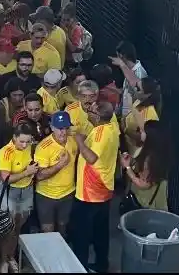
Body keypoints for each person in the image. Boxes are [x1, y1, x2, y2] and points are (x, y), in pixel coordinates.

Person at [69, 102, 119, 273]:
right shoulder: (112, 126)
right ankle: (101, 265)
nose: (87, 112)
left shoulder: (100, 132)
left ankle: (79, 267)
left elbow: (91, 158)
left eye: (90, 110)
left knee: (81, 233)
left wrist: (80, 142)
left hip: (90, 192)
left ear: (97, 116)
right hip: (104, 189)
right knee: (100, 232)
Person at [0, 122, 37, 273]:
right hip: (10, 192)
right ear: (14, 137)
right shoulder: (6, 152)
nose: (25, 145)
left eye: (28, 141)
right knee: (8, 228)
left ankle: (10, 256)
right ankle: (4, 260)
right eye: (22, 141)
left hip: (26, 190)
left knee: (18, 225)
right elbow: (6, 179)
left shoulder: (29, 145)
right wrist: (27, 172)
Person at [34, 111, 78, 235]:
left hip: (68, 194)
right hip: (46, 196)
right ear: (52, 127)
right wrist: (59, 165)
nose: (63, 132)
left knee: (63, 227)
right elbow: (39, 176)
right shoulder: (43, 147)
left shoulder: (73, 141)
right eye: (59, 128)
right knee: (47, 230)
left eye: (65, 128)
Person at [120, 120, 172, 211]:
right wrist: (132, 160)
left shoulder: (150, 159)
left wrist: (127, 168)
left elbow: (144, 184)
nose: (140, 132)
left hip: (144, 202)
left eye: (143, 131)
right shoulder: (160, 153)